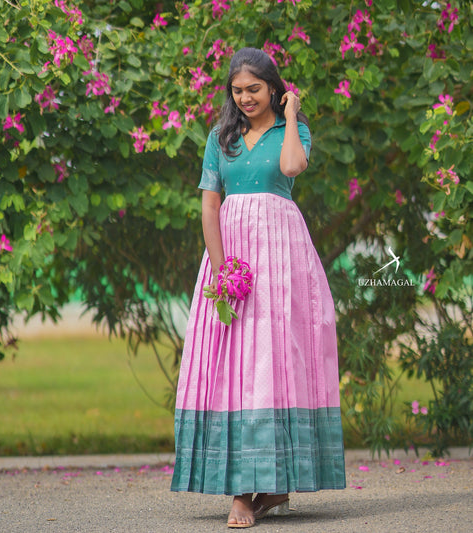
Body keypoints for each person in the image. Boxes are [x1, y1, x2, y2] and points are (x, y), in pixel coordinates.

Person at [171, 47, 346, 529]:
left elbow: (291, 168)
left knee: (275, 359)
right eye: (237, 91)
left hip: (282, 257)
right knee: (234, 363)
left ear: (273, 86)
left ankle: (271, 486)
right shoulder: (219, 138)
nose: (246, 98)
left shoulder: (294, 131)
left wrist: (290, 116)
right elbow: (210, 207)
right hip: (233, 256)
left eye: (255, 89)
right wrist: (222, 269)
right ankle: (241, 490)